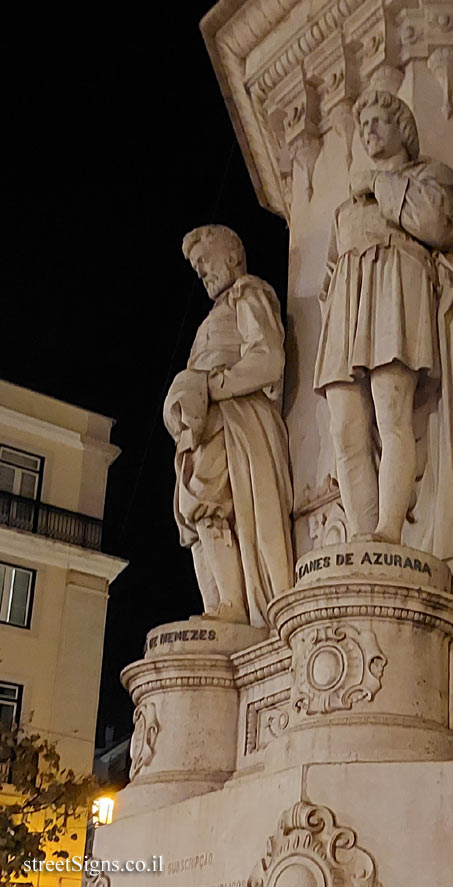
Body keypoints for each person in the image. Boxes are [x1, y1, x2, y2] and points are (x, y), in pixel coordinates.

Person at [313, 90, 453, 565]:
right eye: (362, 124)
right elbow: (329, 270)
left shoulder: (432, 177)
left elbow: (438, 225)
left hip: (396, 295)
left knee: (392, 414)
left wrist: (380, 184)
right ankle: (363, 534)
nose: (367, 131)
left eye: (378, 122)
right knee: (346, 427)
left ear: (403, 130)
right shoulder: (346, 204)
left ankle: (389, 531)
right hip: (350, 303)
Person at [164, 225, 293, 626]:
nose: (201, 272)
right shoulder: (215, 314)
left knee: (207, 503)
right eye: (196, 267)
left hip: (237, 419)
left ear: (233, 256)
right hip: (205, 427)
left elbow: (269, 358)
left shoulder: (249, 294)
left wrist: (213, 385)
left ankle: (233, 608)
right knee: (194, 513)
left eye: (204, 261)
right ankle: (219, 605)